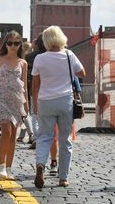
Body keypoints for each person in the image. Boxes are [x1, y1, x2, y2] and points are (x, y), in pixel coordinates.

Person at [32, 26, 85, 188]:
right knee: (65, 139)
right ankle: (63, 178)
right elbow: (82, 72)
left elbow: (35, 85)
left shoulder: (40, 58)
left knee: (44, 137)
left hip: (45, 101)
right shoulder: (69, 55)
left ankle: (41, 164)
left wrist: (35, 104)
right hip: (65, 101)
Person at [0, 31, 29, 180]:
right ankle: (1, 165)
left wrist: (26, 105)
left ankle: (9, 168)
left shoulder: (23, 63)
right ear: (5, 44)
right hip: (1, 98)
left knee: (13, 135)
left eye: (16, 43)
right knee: (6, 130)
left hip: (16, 100)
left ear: (20, 45)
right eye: (10, 43)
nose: (13, 46)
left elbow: (25, 86)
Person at [24, 34, 45, 150]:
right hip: (48, 89)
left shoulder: (30, 57)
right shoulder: (51, 56)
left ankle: (36, 138)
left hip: (34, 88)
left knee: (35, 115)